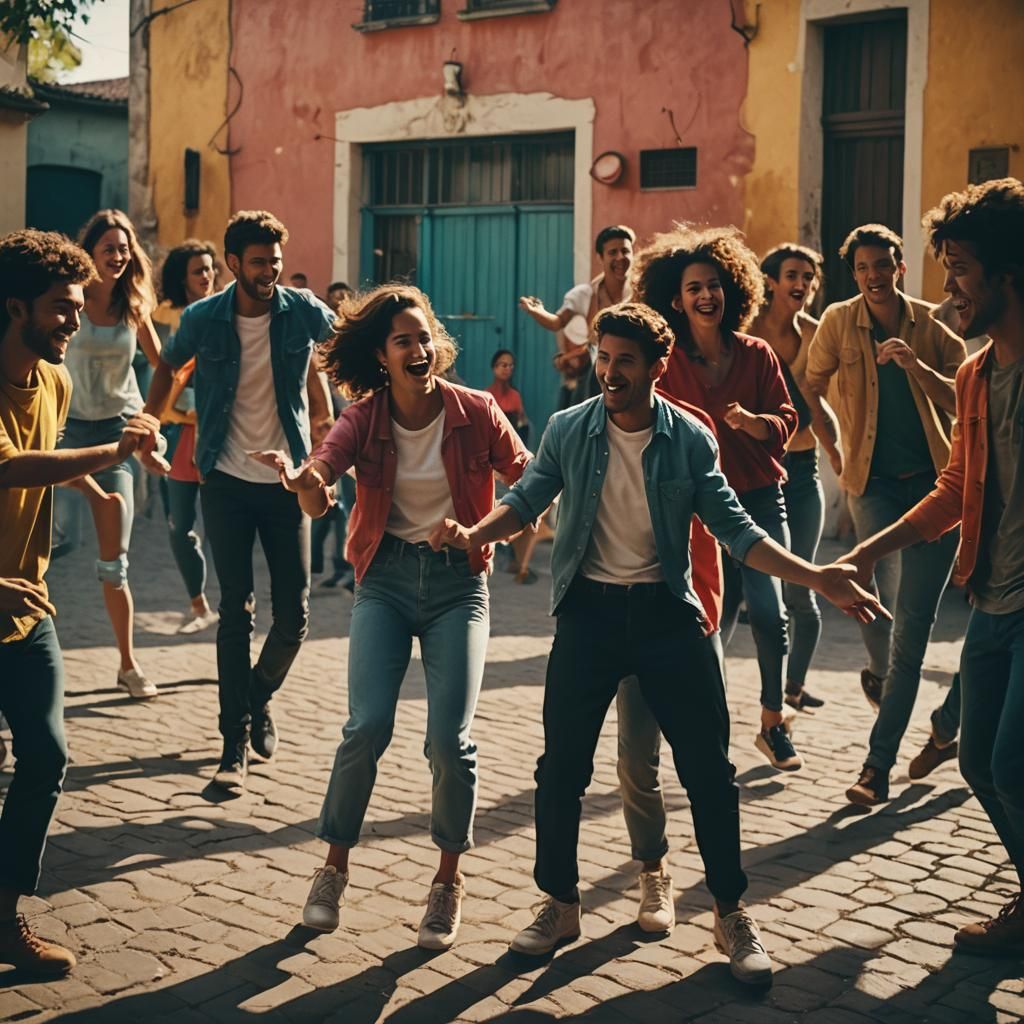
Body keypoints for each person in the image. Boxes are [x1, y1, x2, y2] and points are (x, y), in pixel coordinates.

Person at [429, 302, 887, 983]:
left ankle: (730, 913)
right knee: (561, 771)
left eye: (625, 363)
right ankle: (559, 902)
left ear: (657, 369)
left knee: (709, 772)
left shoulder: (691, 437)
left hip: (670, 617)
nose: (609, 374)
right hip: (588, 615)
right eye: (604, 360)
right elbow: (524, 499)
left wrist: (815, 575)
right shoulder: (568, 429)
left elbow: (736, 530)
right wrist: (475, 534)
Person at [250, 285, 529, 951]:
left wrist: (486, 528)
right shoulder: (364, 418)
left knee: (448, 740)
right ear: (382, 354)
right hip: (386, 582)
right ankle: (332, 869)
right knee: (366, 725)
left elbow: (530, 480)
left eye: (424, 335)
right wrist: (302, 481)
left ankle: (446, 883)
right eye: (403, 339)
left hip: (459, 586)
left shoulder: (477, 411)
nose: (419, 347)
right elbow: (322, 480)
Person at [841, 178, 1024, 953]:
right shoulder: (976, 376)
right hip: (994, 600)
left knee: (1013, 765)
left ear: (1009, 274)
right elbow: (957, 487)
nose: (949, 288)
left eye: (961, 271)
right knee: (979, 762)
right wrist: (862, 552)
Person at [0, 229, 162, 974]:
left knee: (46, 755)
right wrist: (113, 454)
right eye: (63, 308)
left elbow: (45, 460)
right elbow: (13, 467)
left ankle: (4, 917)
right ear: (15, 308)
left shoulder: (55, 380)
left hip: (25, 608)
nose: (75, 319)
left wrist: (94, 490)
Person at [142, 210, 336, 790]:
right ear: (233, 263)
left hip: (288, 481)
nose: (269, 272)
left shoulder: (300, 308)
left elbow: (348, 345)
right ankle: (233, 745)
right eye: (258, 262)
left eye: (275, 260)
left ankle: (255, 697)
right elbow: (169, 366)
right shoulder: (205, 317)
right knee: (236, 611)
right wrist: (149, 425)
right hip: (223, 480)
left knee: (295, 615)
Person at [805, 223, 968, 805]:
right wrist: (831, 444)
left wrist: (915, 368)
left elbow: (964, 396)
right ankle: (889, 685)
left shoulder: (932, 323)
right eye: (863, 267)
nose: (874, 276)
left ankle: (879, 763)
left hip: (934, 488)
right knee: (873, 597)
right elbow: (811, 380)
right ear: (854, 274)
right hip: (870, 486)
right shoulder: (836, 321)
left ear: (900, 267)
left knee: (914, 633)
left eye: (884, 265)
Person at [632, 226, 802, 771]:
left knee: (771, 615)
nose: (706, 296)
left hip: (758, 497)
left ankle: (773, 720)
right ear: (675, 300)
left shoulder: (757, 354)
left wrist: (756, 424)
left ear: (731, 290)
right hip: (697, 512)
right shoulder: (668, 363)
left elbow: (787, 419)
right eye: (693, 289)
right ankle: (711, 723)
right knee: (711, 624)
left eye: (714, 285)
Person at [58, 209, 166, 700]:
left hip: (117, 433)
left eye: (124, 249)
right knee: (40, 548)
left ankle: (127, 664)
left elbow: (166, 368)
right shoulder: (72, 299)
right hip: (67, 430)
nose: (119, 257)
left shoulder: (133, 306)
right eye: (110, 249)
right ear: (91, 252)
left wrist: (151, 425)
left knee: (114, 560)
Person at [749, 243, 842, 711]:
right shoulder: (745, 330)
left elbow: (819, 400)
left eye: (809, 276)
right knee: (742, 597)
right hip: (753, 475)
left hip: (803, 473)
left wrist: (840, 453)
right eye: (792, 275)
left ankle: (792, 688)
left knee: (802, 587)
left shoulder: (816, 333)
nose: (801, 284)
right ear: (771, 281)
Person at [152, 240, 218, 634]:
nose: (207, 276)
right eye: (199, 270)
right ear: (182, 277)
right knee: (179, 528)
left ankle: (237, 604)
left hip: (216, 432)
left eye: (210, 268)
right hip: (174, 433)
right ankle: (198, 604)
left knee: (227, 525)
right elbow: (154, 368)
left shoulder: (225, 311)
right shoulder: (160, 319)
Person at [519, 225, 635, 406]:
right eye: (613, 252)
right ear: (600, 258)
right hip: (598, 381)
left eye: (625, 251)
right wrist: (538, 312)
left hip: (633, 377)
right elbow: (557, 322)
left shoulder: (641, 293)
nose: (620, 257)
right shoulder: (585, 294)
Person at [485, 349, 530, 447]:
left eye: (511, 366)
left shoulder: (515, 396)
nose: (508, 369)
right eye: (504, 365)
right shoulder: (486, 395)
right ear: (494, 367)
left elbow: (523, 426)